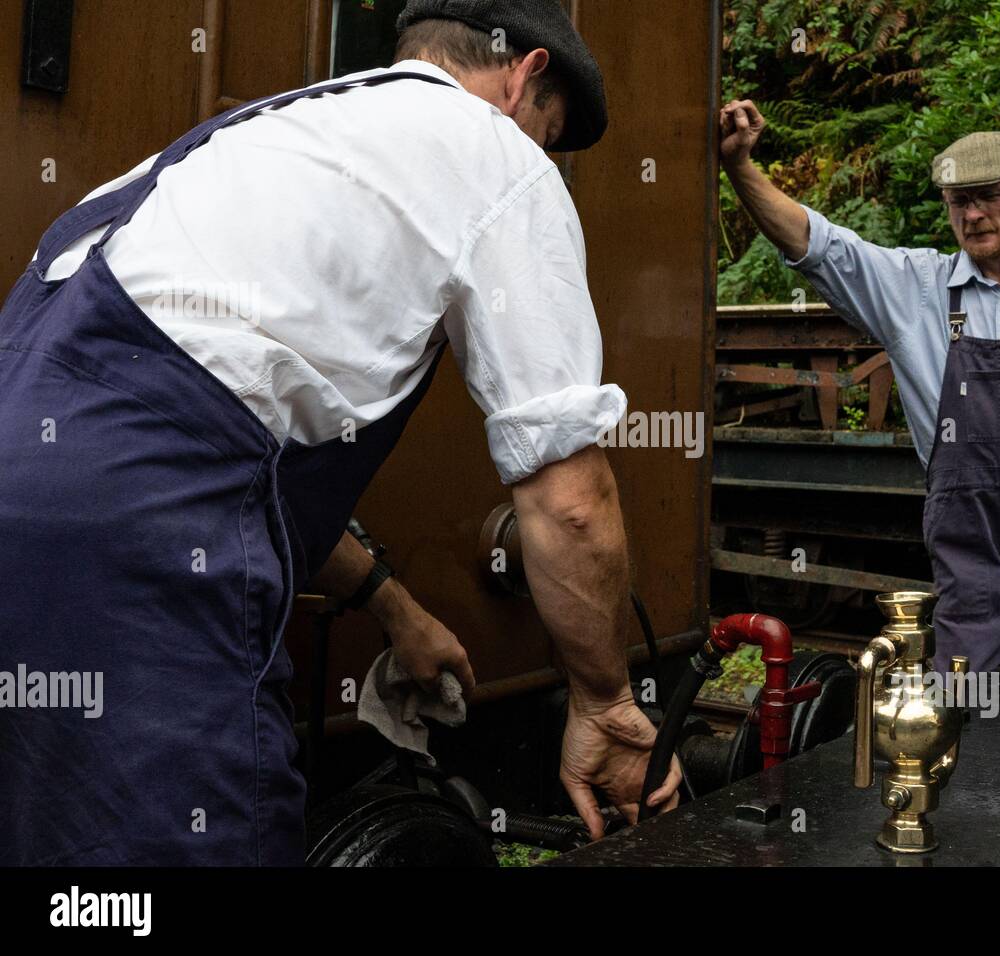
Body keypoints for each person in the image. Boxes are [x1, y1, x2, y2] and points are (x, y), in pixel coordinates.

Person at [0, 0, 678, 866]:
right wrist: (603, 698)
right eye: (548, 136)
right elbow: (569, 502)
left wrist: (391, 605)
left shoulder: (262, 141)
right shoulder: (495, 152)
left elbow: (207, 426)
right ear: (524, 76)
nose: (541, 156)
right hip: (136, 568)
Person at [719, 100, 1000, 673]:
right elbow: (816, 244)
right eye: (958, 201)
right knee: (967, 714)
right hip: (971, 564)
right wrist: (741, 169)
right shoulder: (916, 291)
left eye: (988, 195)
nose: (972, 214)